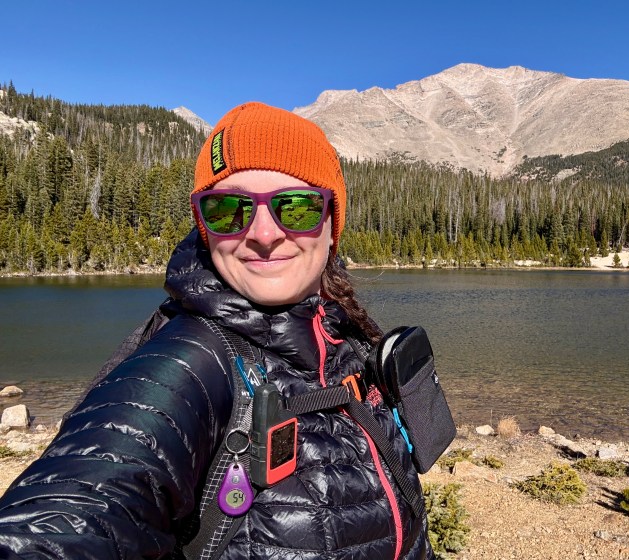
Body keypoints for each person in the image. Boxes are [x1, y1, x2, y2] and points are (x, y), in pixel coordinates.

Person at [0, 102, 433, 559]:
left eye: (297, 207)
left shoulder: (343, 335)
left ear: (331, 222)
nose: (264, 233)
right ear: (205, 229)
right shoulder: (190, 361)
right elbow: (73, 513)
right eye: (229, 210)